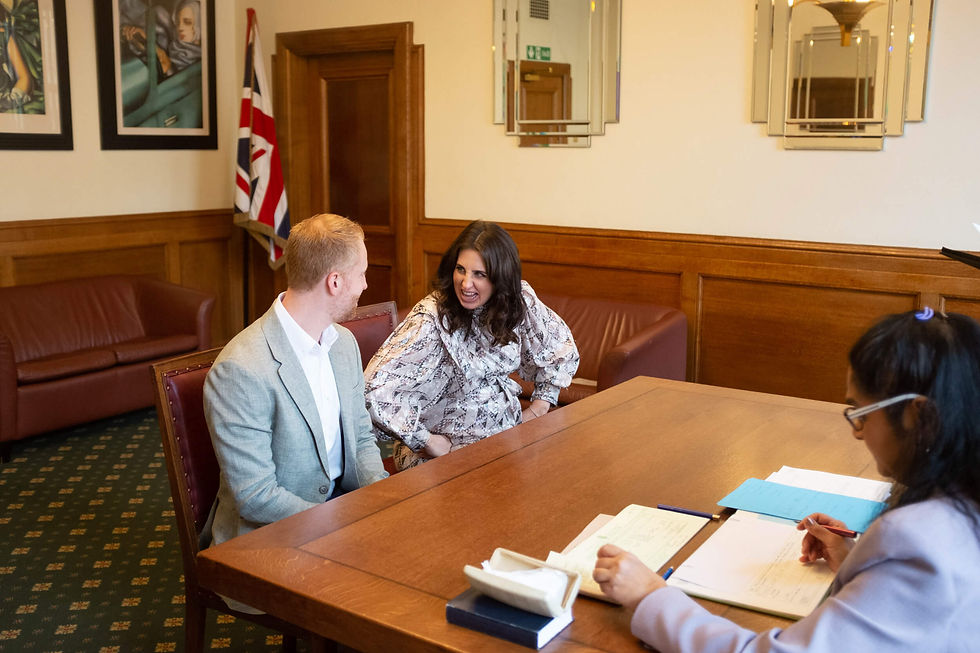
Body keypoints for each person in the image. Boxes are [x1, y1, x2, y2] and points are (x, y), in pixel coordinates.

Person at [593, 307, 980, 652]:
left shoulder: (916, 540)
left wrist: (650, 596)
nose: (857, 432)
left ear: (917, 416)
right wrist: (854, 560)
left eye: (861, 412)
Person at [204, 214, 388, 610]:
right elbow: (255, 497)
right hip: (267, 539)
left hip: (340, 511)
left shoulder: (343, 344)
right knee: (383, 589)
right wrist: (344, 524)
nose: (366, 285)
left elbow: (360, 436)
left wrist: (382, 499)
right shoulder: (241, 368)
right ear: (335, 281)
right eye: (362, 273)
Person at [364, 220, 579, 471]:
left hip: (506, 442)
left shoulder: (517, 301)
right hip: (446, 457)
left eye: (479, 274)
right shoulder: (432, 317)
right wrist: (427, 441)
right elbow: (375, 389)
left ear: (500, 278)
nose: (466, 284)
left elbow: (559, 347)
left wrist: (541, 406)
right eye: (461, 270)